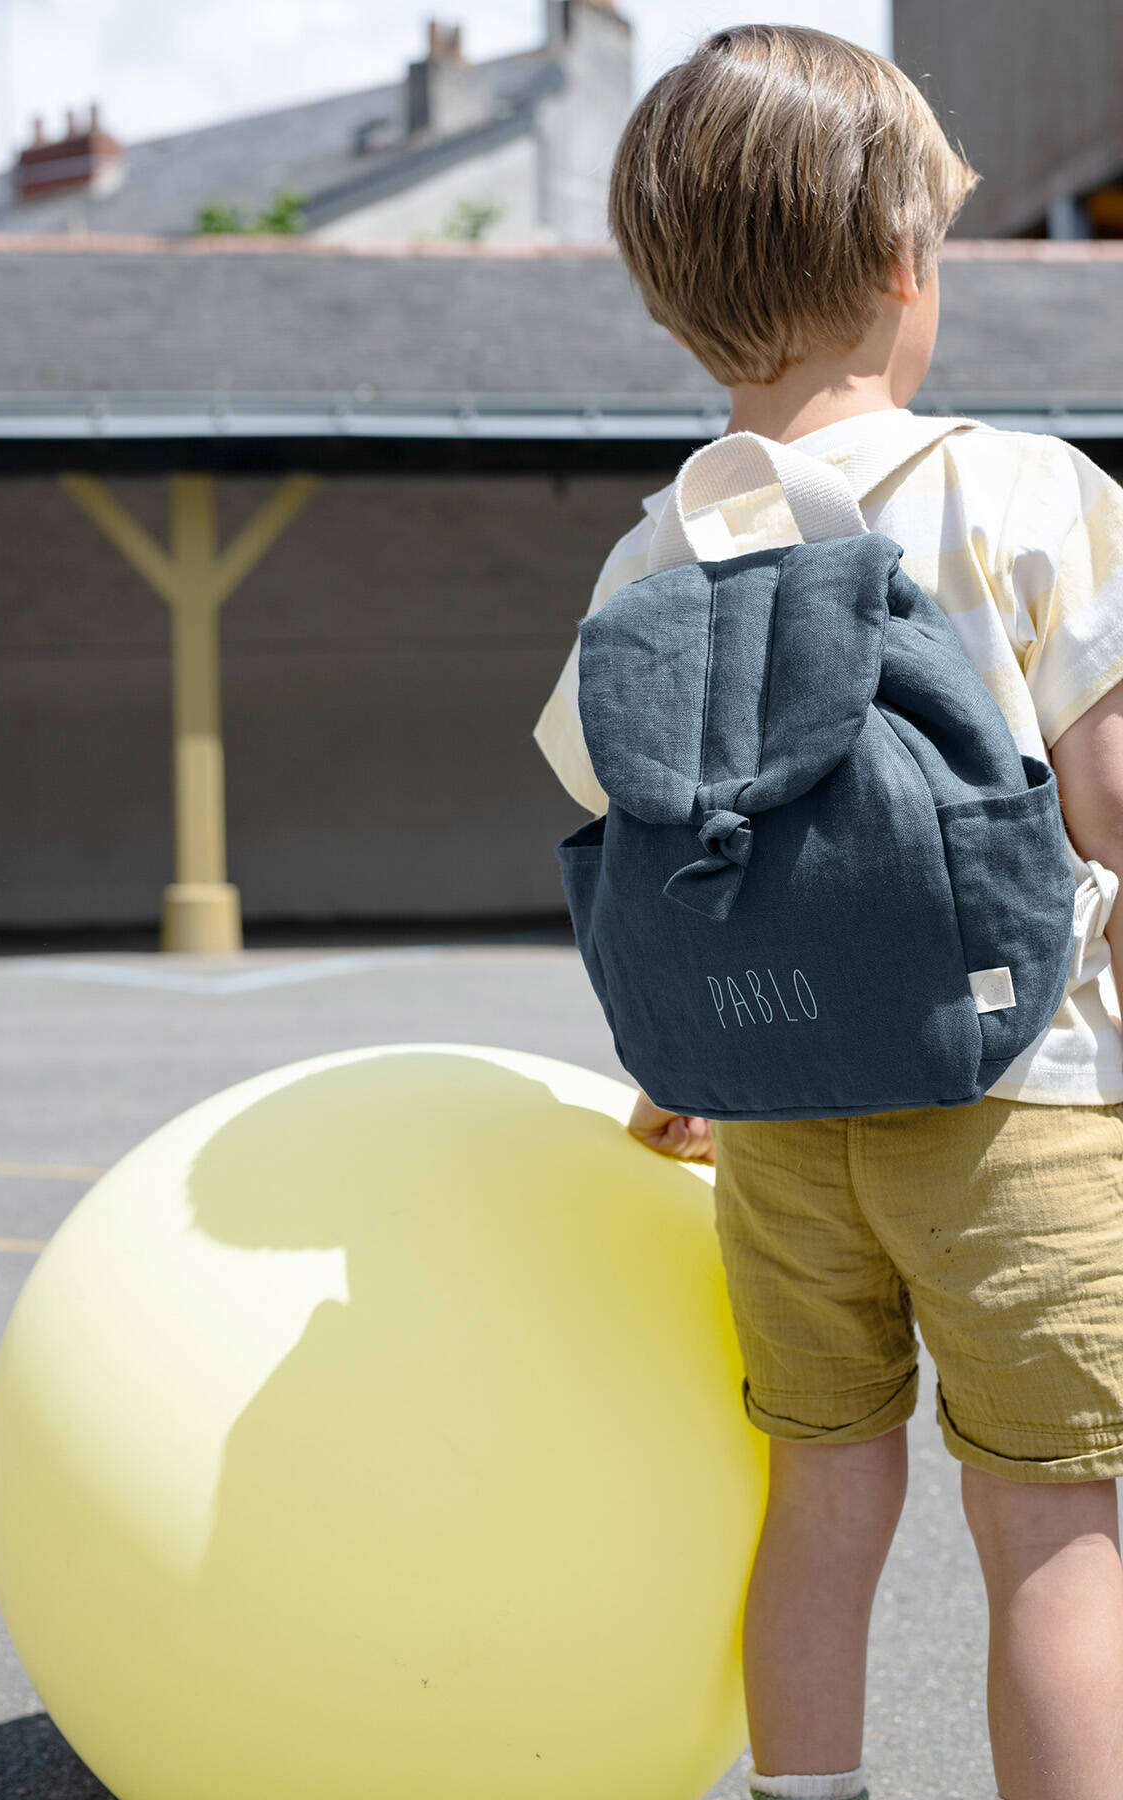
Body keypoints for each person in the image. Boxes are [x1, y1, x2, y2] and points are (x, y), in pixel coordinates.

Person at [532, 25, 1123, 1800]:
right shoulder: (1028, 493)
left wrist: (684, 1049)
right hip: (1018, 1099)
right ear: (901, 261)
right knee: (1051, 1535)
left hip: (779, 1122)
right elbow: (1111, 805)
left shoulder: (655, 551)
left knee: (824, 1496)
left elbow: (618, 813)